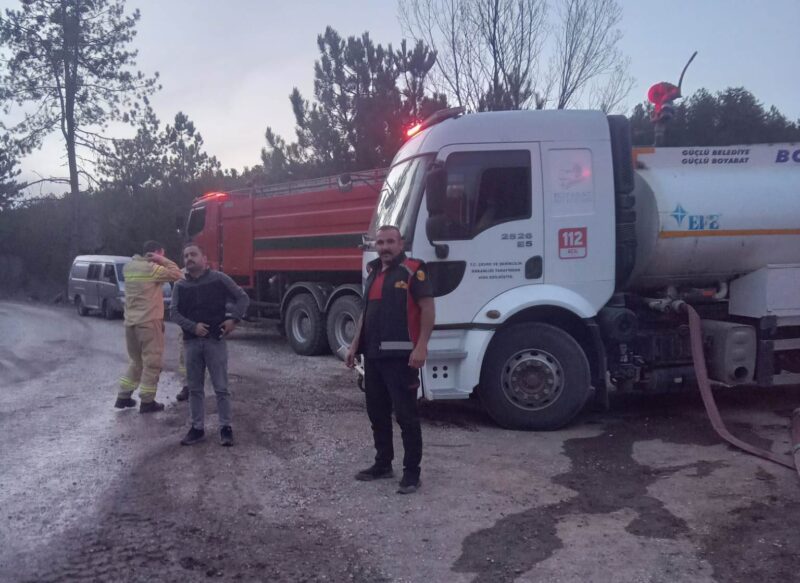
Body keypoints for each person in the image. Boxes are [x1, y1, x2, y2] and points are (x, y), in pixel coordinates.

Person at [346, 225, 435, 494]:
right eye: (380, 242)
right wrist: (354, 345)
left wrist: (422, 347)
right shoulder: (373, 271)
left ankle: (412, 473)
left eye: (390, 242)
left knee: (406, 417)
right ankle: (383, 464)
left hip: (401, 359)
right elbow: (366, 312)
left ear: (401, 243)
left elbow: (428, 309)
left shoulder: (413, 270)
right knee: (377, 414)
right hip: (373, 356)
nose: (384, 247)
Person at [170, 243, 249, 446]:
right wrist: (193, 327)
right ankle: (197, 429)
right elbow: (174, 313)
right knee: (195, 389)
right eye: (186, 255)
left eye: (193, 254)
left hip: (215, 341)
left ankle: (226, 428)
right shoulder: (180, 285)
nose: (189, 258)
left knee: (221, 387)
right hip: (191, 343)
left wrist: (233, 320)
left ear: (204, 259)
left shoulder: (219, 279)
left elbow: (242, 298)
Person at [116, 240, 183, 413]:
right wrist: (162, 260)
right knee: (152, 363)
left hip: (131, 324)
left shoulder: (129, 267)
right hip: (148, 323)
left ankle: (123, 396)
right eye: (162, 254)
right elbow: (177, 274)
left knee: (136, 362)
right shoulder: (152, 268)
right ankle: (147, 402)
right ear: (156, 253)